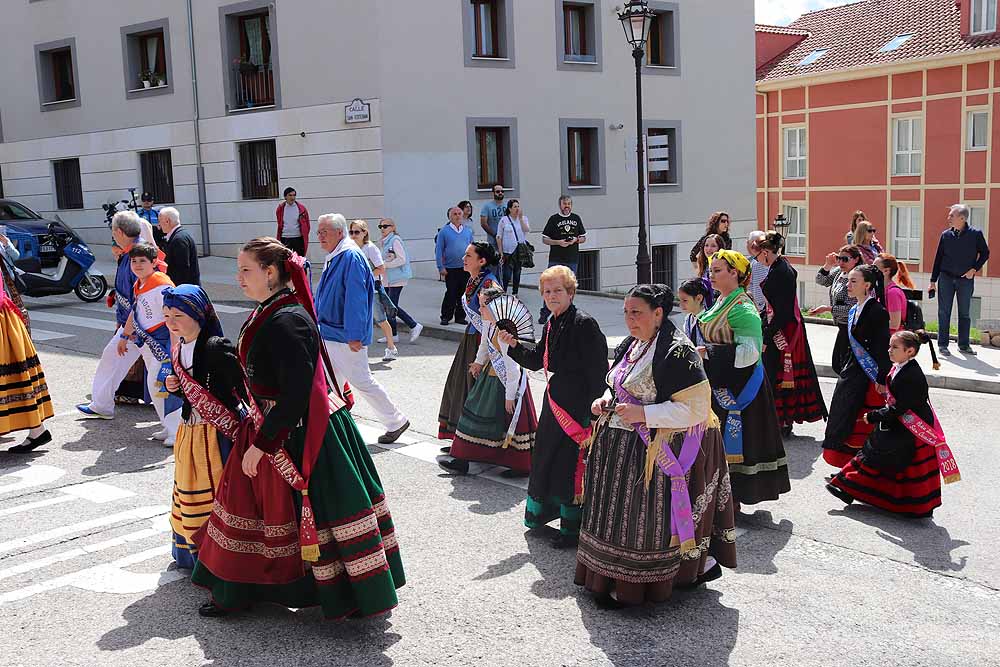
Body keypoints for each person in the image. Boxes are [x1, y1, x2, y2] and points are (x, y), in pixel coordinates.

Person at [191, 238, 404, 618]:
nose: (238, 278)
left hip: (303, 431)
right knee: (249, 505)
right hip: (275, 424)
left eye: (245, 270)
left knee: (318, 512)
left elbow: (297, 393)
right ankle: (240, 589)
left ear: (271, 273)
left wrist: (262, 444)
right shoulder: (271, 309)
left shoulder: (287, 319)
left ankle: (346, 594)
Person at [576, 284, 736, 608]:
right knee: (613, 517)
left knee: (640, 521)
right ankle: (605, 575)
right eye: (626, 312)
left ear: (658, 313)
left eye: (636, 312)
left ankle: (634, 585)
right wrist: (605, 400)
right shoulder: (631, 344)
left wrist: (643, 414)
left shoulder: (678, 351)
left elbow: (696, 409)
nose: (629, 319)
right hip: (621, 448)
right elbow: (618, 385)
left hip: (654, 454)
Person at [502, 266, 608, 548]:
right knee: (547, 460)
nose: (551, 296)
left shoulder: (585, 324)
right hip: (555, 403)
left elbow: (598, 371)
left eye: (557, 290)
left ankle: (572, 529)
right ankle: (543, 516)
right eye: (547, 291)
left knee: (569, 467)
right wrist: (513, 346)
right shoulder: (551, 322)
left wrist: (593, 412)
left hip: (577, 408)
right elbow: (538, 360)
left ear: (570, 292)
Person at [696, 250, 790, 509]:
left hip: (740, 387)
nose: (711, 275)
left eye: (717, 271)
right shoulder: (722, 300)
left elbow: (748, 353)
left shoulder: (742, 307)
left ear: (735, 273)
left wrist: (708, 353)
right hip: (721, 379)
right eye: (711, 270)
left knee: (735, 444)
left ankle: (731, 498)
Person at [827, 331, 957, 518]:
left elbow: (900, 408)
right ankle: (845, 485)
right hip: (898, 422)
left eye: (894, 347)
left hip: (911, 427)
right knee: (872, 453)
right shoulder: (900, 367)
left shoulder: (911, 375)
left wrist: (874, 416)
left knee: (890, 460)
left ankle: (915, 506)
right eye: (890, 346)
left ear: (910, 351)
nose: (889, 350)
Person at [162, 285, 240, 568]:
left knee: (216, 492)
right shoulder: (178, 346)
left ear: (197, 314)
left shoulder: (216, 346)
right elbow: (188, 388)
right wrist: (175, 386)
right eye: (167, 315)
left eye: (178, 315)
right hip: (190, 431)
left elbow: (237, 389)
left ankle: (218, 557)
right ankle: (191, 553)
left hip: (215, 433)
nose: (171, 322)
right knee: (187, 489)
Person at [315, 215, 410, 444]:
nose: (319, 237)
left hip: (343, 334)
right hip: (331, 331)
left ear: (339, 233)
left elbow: (356, 300)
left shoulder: (351, 257)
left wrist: (355, 335)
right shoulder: (339, 255)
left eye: (324, 232)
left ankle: (396, 421)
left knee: (361, 380)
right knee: (329, 383)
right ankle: (332, 427)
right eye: (318, 232)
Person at [438, 285, 537, 477]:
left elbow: (513, 368)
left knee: (506, 423)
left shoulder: (505, 333)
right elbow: (484, 344)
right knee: (475, 410)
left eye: (483, 306)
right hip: (489, 376)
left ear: (496, 308)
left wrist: (510, 398)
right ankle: (466, 456)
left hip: (506, 384)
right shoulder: (488, 324)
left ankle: (519, 465)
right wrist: (477, 362)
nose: (480, 309)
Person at [78, 212, 152, 421]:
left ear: (119, 232)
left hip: (140, 325)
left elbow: (139, 295)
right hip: (139, 324)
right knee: (115, 361)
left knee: (155, 372)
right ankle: (101, 404)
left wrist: (126, 331)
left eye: (113, 232)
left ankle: (174, 427)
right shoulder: (135, 252)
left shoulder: (135, 256)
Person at [757, 231, 827, 437]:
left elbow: (784, 309)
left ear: (766, 252)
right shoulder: (780, 267)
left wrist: (769, 334)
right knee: (779, 374)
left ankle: (782, 420)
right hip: (781, 323)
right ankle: (781, 420)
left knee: (780, 373)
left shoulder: (781, 272)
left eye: (760, 253)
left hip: (785, 329)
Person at [822, 265, 891, 469]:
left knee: (859, 423)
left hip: (867, 377)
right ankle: (846, 466)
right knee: (842, 415)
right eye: (848, 280)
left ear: (867, 285)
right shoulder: (854, 310)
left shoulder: (878, 312)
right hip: (851, 372)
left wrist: (880, 378)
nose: (847, 285)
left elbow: (881, 347)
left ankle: (861, 469)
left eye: (853, 281)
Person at [116, 243, 182, 446]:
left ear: (154, 262)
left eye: (142, 261)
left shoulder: (162, 285)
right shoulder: (140, 284)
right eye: (134, 261)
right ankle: (168, 425)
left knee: (161, 384)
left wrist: (174, 349)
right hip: (147, 344)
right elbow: (136, 312)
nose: (137, 265)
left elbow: (173, 318)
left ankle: (177, 430)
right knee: (156, 387)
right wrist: (124, 336)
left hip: (162, 342)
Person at [437, 242, 501, 442]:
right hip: (471, 338)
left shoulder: (490, 285)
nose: (463, 259)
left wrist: (482, 357)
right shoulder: (473, 280)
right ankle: (459, 438)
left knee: (476, 391)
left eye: (468, 256)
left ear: (481, 261)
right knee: (460, 386)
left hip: (485, 342)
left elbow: (493, 323)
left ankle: (471, 442)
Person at [0, 235, 52, 452]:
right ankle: (37, 430)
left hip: (3, 318)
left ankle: (37, 430)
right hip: (6, 317)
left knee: (14, 377)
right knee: (17, 377)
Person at [929, 203, 990, 356]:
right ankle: (943, 345)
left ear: (962, 218)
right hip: (946, 278)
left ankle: (964, 345)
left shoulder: (976, 234)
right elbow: (938, 259)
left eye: (952, 215)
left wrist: (974, 269)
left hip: (965, 281)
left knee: (965, 313)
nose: (948, 218)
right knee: (944, 312)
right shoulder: (946, 235)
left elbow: (985, 253)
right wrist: (932, 281)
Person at [350, 219, 399, 361]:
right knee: (360, 317)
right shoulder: (351, 248)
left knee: (380, 319)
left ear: (365, 233)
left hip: (372, 288)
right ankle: (359, 349)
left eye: (357, 232)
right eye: (351, 232)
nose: (353, 235)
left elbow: (381, 268)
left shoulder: (370, 248)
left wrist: (365, 277)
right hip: (357, 288)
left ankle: (391, 347)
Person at [812, 245, 862, 374]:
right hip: (841, 325)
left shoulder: (857, 277)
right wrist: (828, 265)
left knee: (841, 364)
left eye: (845, 259)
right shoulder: (839, 272)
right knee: (839, 364)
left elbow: (852, 308)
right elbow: (820, 280)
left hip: (851, 327)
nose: (840, 262)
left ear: (856, 259)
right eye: (839, 258)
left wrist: (828, 309)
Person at [540, 195, 587, 323]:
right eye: (564, 204)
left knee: (570, 285)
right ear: (559, 205)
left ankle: (568, 311)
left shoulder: (576, 218)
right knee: (549, 284)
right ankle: (545, 312)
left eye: (569, 204)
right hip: (556, 258)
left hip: (572, 258)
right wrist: (558, 242)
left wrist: (575, 240)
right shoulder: (554, 219)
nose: (566, 206)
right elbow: (544, 239)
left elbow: (583, 237)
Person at [378, 218, 423, 343]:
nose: (382, 228)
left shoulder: (395, 240)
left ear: (393, 227)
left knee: (392, 305)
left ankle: (414, 325)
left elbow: (402, 259)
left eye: (385, 226)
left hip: (397, 278)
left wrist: (385, 264)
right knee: (389, 306)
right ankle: (393, 334)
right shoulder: (384, 241)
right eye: (380, 226)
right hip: (387, 278)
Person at [436, 207, 475, 326]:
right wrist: (440, 267)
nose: (457, 216)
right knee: (451, 292)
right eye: (454, 214)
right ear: (450, 217)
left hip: (464, 267)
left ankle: (460, 316)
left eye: (459, 214)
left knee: (463, 293)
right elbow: (439, 250)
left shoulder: (468, 231)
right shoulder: (444, 231)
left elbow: (472, 249)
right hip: (450, 268)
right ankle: (446, 316)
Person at [157, 206, 201, 287]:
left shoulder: (179, 239)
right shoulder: (180, 235)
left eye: (159, 221)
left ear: (167, 221)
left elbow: (182, 270)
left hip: (184, 291)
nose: (158, 225)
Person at [497, 199, 530, 295]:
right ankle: (504, 292)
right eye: (515, 207)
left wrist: (520, 219)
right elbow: (499, 236)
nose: (517, 208)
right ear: (510, 209)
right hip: (508, 251)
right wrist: (501, 252)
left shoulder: (524, 218)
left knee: (517, 272)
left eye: (518, 206)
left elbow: (527, 230)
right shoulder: (504, 220)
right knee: (506, 273)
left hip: (519, 251)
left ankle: (515, 293)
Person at [876, 253, 914, 335]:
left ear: (886, 271)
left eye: (875, 268)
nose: (871, 270)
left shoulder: (893, 293)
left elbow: (894, 324)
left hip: (893, 340)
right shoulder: (881, 290)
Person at [0, 231, 29, 330]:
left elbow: (16, 256)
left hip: (8, 279)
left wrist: (6, 244)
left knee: (13, 306)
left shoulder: (3, 240)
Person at [275, 187, 310, 257]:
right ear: (285, 197)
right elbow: (280, 224)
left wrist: (304, 234)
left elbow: (307, 225)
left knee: (299, 260)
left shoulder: (301, 208)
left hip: (298, 238)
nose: (292, 197)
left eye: (294, 195)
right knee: (285, 260)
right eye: (290, 195)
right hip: (285, 238)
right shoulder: (280, 208)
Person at [694, 233, 724, 310]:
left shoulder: (723, 266)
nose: (709, 249)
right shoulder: (703, 265)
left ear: (719, 248)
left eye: (713, 246)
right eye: (706, 245)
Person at [678, 278, 710, 344]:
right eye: (680, 300)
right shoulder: (688, 319)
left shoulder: (709, 319)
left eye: (685, 300)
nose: (681, 305)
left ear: (699, 298)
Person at [746, 230, 769, 313]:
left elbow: (759, 288)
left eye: (748, 242)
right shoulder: (752, 260)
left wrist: (758, 309)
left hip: (757, 309)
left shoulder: (758, 263)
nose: (746, 244)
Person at [480, 183, 506, 250]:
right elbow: (483, 223)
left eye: (502, 191)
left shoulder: (507, 206)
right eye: (497, 191)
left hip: (506, 240)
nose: (500, 193)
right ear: (493, 193)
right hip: (493, 241)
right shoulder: (487, 206)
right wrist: (495, 234)